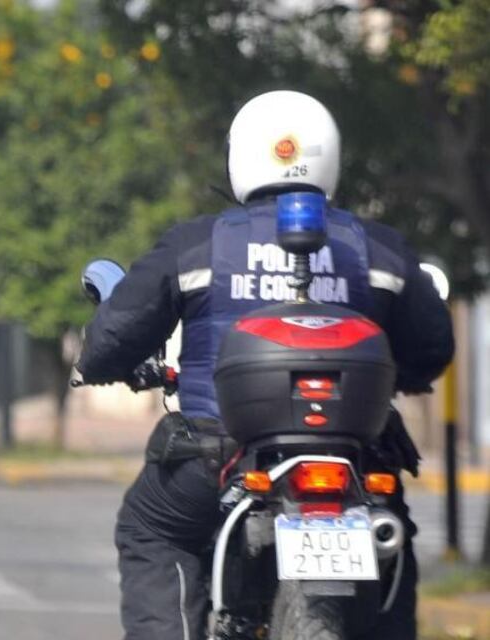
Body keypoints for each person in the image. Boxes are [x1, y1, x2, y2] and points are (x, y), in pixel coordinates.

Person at [76, 90, 454, 640]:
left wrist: (99, 362)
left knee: (152, 530)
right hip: (356, 459)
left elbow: (115, 335)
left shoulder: (197, 245)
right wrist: (406, 375)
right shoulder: (379, 249)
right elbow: (431, 350)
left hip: (220, 456)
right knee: (393, 541)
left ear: (240, 157)